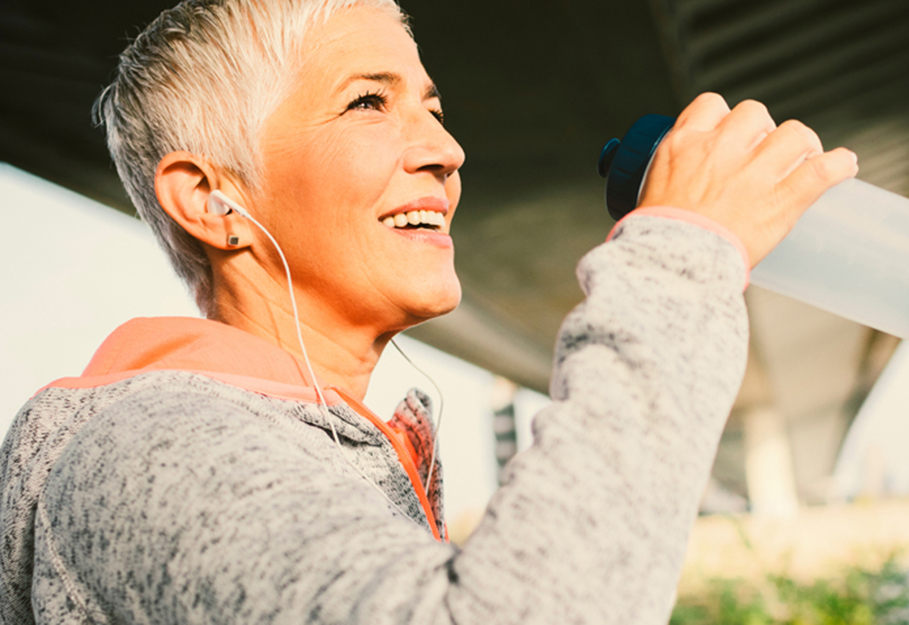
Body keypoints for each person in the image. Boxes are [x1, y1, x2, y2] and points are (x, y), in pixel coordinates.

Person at [0, 0, 857, 623]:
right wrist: (680, 255)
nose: (446, 153)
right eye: (368, 102)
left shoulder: (311, 449)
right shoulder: (151, 445)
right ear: (212, 200)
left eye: (433, 109)